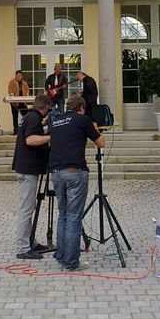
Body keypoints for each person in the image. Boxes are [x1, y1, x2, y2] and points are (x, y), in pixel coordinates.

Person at [48, 94, 105, 271]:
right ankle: (71, 262)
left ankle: (61, 255)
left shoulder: (56, 121)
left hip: (56, 172)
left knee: (63, 214)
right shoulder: (82, 119)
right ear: (81, 108)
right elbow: (100, 142)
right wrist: (95, 127)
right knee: (73, 217)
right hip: (74, 171)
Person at [11, 94, 51, 260]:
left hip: (26, 168)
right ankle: (23, 247)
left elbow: (34, 128)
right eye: (48, 110)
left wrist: (45, 125)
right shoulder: (33, 118)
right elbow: (30, 139)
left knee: (29, 206)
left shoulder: (31, 117)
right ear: (45, 107)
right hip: (28, 170)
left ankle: (30, 241)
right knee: (26, 208)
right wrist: (51, 137)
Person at [8, 70, 30, 135]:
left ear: (22, 76)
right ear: (15, 76)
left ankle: (27, 130)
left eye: (20, 75)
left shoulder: (24, 83)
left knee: (26, 116)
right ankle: (16, 130)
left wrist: (27, 96)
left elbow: (27, 90)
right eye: (18, 75)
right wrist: (12, 95)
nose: (19, 77)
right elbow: (10, 90)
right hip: (15, 102)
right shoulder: (12, 82)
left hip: (23, 102)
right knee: (15, 116)